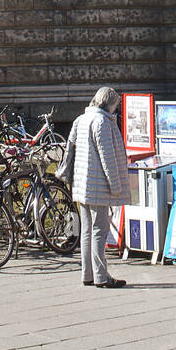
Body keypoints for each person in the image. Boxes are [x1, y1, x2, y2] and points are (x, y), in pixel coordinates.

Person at [56, 86, 131, 289]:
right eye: (115, 105)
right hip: (98, 186)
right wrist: (116, 186)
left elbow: (70, 148)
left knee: (87, 230)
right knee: (100, 230)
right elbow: (108, 158)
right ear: (109, 104)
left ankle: (87, 274)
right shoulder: (102, 123)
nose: (116, 109)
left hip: (82, 185)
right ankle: (101, 276)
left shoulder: (81, 119)